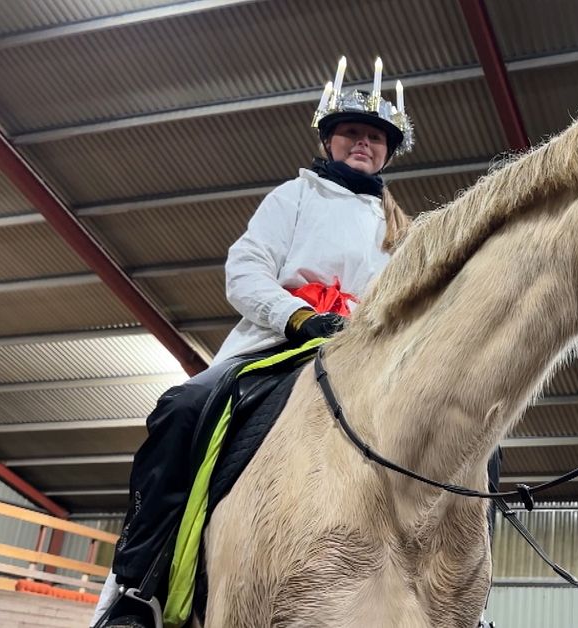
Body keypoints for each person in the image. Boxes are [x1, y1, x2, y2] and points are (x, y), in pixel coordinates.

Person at [91, 70, 415, 627]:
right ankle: (137, 589)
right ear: (328, 140)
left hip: (364, 357)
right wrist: (297, 316)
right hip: (276, 343)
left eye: (376, 136)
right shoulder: (292, 197)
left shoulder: (403, 231)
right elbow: (244, 270)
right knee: (181, 410)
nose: (364, 142)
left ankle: (457, 597)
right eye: (352, 131)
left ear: (388, 152)